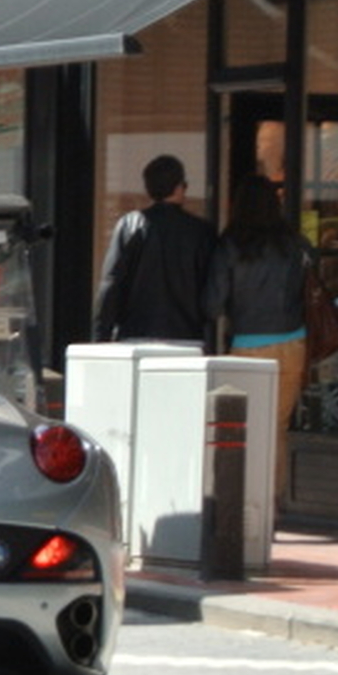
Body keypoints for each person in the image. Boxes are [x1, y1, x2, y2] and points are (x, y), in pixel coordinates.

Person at [206, 171, 310, 478]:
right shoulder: (293, 242)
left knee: (246, 427)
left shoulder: (230, 244)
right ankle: (274, 499)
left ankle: (249, 498)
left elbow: (212, 304)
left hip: (248, 346)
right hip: (294, 343)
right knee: (277, 427)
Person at [94, 154, 215, 343]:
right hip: (187, 336)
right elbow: (211, 291)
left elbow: (112, 282)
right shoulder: (202, 232)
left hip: (136, 334)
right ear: (178, 187)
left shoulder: (130, 225)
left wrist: (102, 335)